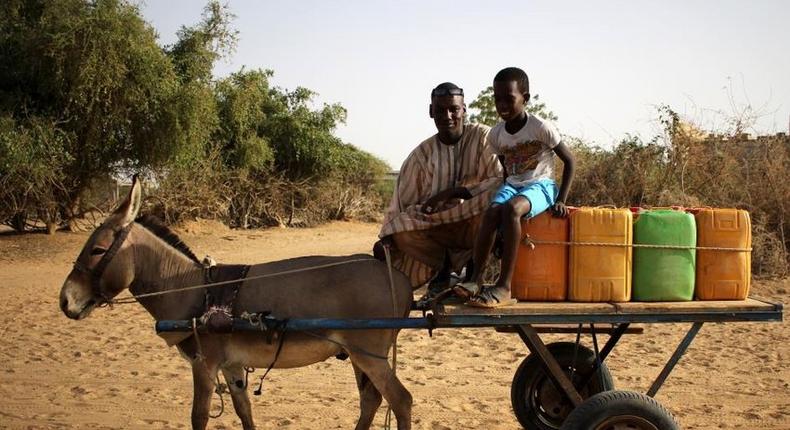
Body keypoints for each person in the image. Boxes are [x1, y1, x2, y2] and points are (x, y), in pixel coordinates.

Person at [454, 67, 576, 308]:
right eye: (497, 99)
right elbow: (506, 166)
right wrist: (508, 187)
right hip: (513, 185)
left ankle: (504, 286)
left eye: (509, 99)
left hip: (541, 186)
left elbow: (570, 161)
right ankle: (475, 280)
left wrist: (561, 199)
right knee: (491, 213)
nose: (502, 105)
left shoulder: (540, 127)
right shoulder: (496, 135)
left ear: (525, 98)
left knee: (511, 209)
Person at [375, 82, 503, 297]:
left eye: (453, 109)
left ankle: (474, 271)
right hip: (438, 230)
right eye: (440, 110)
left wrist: (456, 193)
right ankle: (443, 269)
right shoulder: (420, 156)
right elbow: (402, 203)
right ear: (431, 112)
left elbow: (500, 179)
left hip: (476, 225)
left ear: (464, 110)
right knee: (400, 229)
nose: (448, 116)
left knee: (495, 199)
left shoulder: (483, 137)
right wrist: (389, 236)